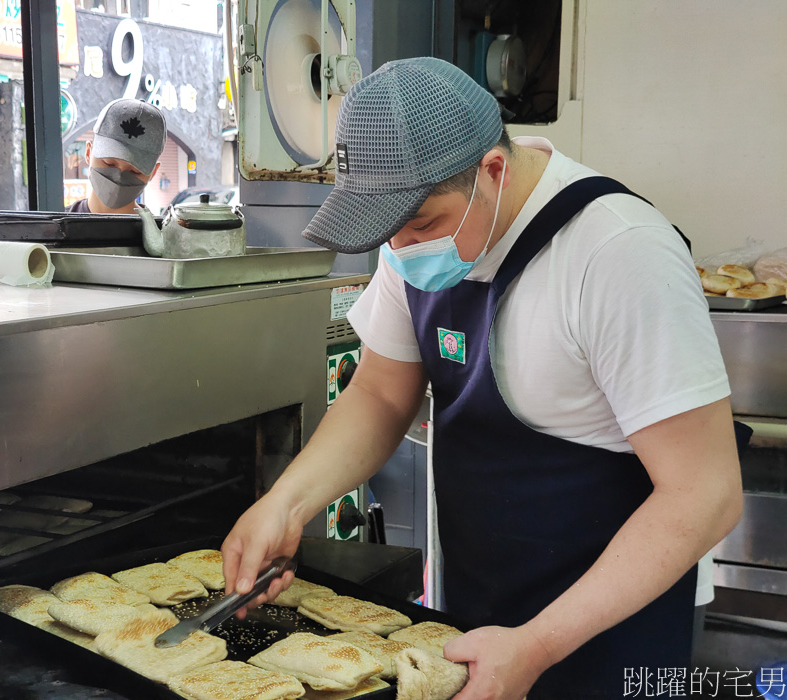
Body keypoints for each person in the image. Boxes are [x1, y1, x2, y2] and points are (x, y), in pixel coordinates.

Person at [220, 57, 744, 699]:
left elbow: (706, 493)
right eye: (390, 234)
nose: (405, 249)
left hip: (613, 624)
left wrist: (538, 643)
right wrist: (288, 502)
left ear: (492, 170)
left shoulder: (617, 253)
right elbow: (382, 394)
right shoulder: (413, 243)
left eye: (422, 226)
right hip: (481, 604)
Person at [66, 98, 166, 214]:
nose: (119, 177)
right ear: (88, 153)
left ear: (153, 173)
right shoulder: (54, 227)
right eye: (109, 163)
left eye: (134, 171)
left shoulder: (160, 232)